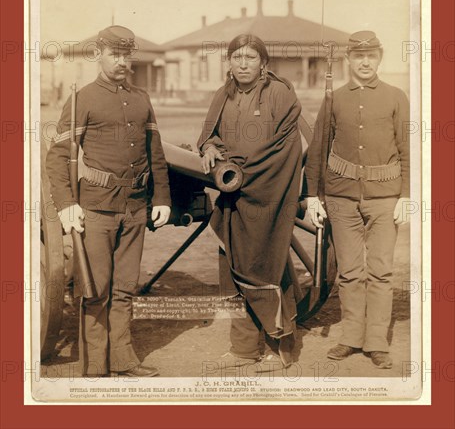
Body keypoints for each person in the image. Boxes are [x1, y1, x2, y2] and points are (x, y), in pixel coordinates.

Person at [46, 25, 171, 377]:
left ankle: (124, 361)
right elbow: (58, 158)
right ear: (99, 54)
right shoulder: (83, 98)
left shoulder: (142, 98)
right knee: (96, 289)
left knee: (125, 288)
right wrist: (67, 204)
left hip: (135, 208)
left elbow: (155, 153)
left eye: (125, 54)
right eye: (114, 54)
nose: (121, 61)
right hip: (97, 208)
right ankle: (96, 367)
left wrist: (161, 197)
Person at [305, 30, 410, 369]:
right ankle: (351, 337)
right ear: (349, 60)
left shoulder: (396, 97)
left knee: (380, 271)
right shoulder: (334, 98)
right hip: (341, 197)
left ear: (379, 58)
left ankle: (377, 341)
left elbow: (409, 150)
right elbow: (318, 150)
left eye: (372, 56)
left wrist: (406, 195)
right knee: (350, 272)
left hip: (384, 198)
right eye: (358, 56)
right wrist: (312, 197)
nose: (365, 62)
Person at [197, 34, 303, 372]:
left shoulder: (279, 94)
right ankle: (243, 348)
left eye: (251, 58)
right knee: (231, 268)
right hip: (231, 196)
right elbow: (209, 134)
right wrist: (210, 148)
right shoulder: (222, 95)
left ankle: (278, 347)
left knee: (265, 265)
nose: (243, 64)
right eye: (237, 57)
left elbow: (285, 149)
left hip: (267, 195)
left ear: (263, 62)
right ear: (228, 62)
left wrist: (244, 174)